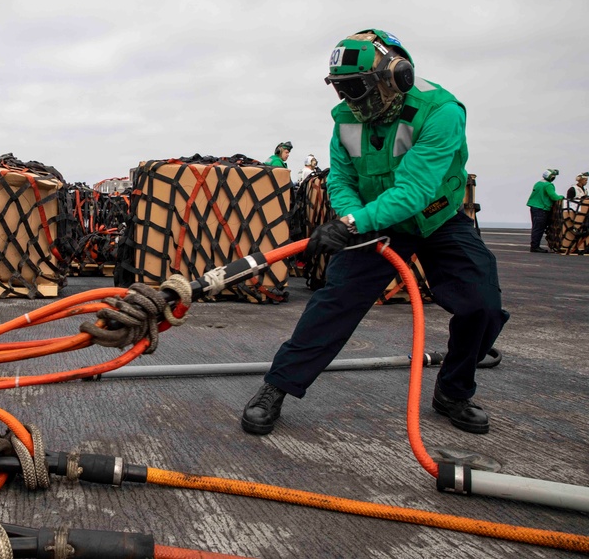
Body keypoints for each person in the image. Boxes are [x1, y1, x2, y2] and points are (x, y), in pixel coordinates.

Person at [241, 29, 508, 436]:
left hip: (437, 219)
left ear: (395, 76)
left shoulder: (441, 111)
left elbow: (415, 191)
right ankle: (277, 387)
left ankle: (453, 392)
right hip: (375, 221)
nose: (349, 99)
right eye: (342, 90)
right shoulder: (347, 120)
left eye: (356, 87)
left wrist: (351, 224)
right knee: (335, 302)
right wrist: (354, 219)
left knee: (482, 305)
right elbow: (342, 180)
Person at [525, 169, 563, 253]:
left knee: (536, 227)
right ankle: (535, 247)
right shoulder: (548, 185)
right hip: (542, 209)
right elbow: (554, 197)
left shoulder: (538, 183)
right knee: (539, 228)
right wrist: (562, 197)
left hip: (534, 207)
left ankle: (534, 245)